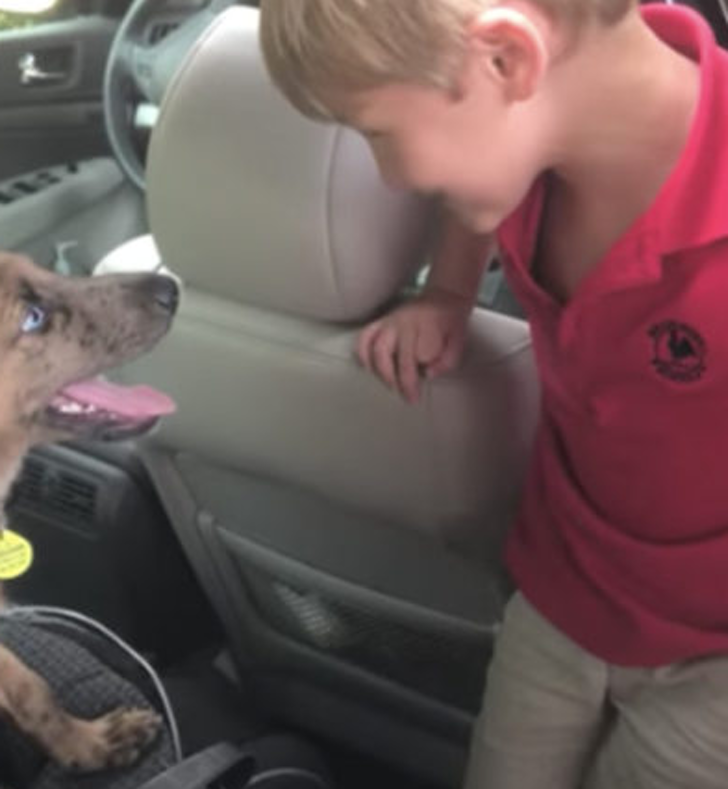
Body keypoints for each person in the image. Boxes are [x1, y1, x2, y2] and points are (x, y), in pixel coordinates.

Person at [259, 0, 728, 786]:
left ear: (507, 60)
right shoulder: (536, 140)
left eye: (374, 131)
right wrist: (448, 291)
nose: (388, 177)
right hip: (565, 587)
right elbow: (485, 189)